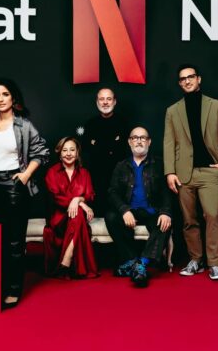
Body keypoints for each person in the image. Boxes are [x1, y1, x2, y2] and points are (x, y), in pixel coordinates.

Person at [0, 79, 49, 309]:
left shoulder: (23, 125)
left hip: (13, 185)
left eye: (5, 94)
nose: (0, 99)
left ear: (13, 98)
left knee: (14, 241)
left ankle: (13, 289)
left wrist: (26, 174)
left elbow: (42, 151)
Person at [163, 64, 218, 280]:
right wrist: (170, 172)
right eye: (182, 78)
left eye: (190, 77)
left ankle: (216, 263)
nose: (187, 81)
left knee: (212, 216)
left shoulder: (216, 106)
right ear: (179, 83)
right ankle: (196, 260)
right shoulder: (173, 111)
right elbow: (169, 143)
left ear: (199, 79)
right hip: (184, 173)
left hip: (211, 171)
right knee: (188, 220)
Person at [105, 126, 172, 288]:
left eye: (143, 138)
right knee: (111, 217)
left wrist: (165, 212)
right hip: (130, 211)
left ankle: (141, 263)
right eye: (135, 138)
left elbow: (167, 192)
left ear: (149, 142)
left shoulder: (159, 164)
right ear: (130, 142)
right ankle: (133, 260)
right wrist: (124, 210)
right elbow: (112, 192)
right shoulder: (121, 165)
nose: (139, 141)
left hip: (151, 211)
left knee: (164, 223)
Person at [43, 137, 98, 278]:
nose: (68, 153)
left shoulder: (84, 173)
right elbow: (56, 197)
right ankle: (68, 260)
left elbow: (90, 195)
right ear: (60, 153)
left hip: (77, 219)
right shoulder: (52, 172)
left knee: (77, 213)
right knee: (78, 211)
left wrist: (78, 199)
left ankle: (66, 259)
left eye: (72, 150)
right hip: (59, 219)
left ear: (77, 153)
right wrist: (79, 202)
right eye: (65, 150)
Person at [79, 87, 128, 215]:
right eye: (101, 99)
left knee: (115, 213)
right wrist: (112, 144)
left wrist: (97, 144)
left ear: (114, 102)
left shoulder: (124, 123)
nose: (105, 102)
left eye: (109, 99)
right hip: (96, 178)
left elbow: (123, 149)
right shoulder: (90, 124)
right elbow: (86, 148)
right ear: (97, 102)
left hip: (118, 177)